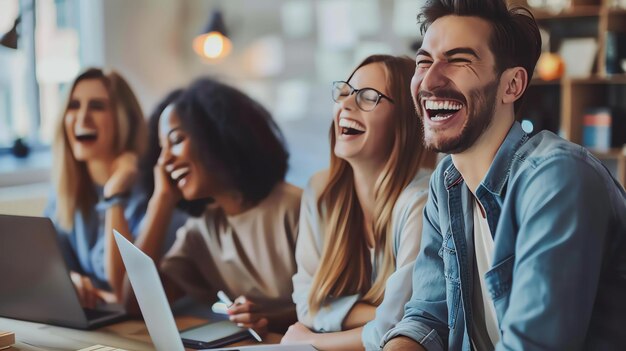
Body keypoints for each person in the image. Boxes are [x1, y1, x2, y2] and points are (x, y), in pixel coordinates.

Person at [382, 1, 626, 350]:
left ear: (512, 85)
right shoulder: (447, 181)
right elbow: (427, 318)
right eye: (424, 61)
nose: (430, 80)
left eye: (459, 60)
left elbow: (535, 345)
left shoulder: (557, 179)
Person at [281, 55, 437, 350]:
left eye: (368, 97)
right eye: (344, 93)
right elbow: (307, 304)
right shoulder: (322, 191)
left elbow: (407, 328)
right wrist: (379, 315)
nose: (346, 105)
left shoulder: (423, 201)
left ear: (404, 119)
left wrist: (313, 340)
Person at [130, 78, 302, 334]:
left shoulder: (296, 207)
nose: (164, 161)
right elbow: (135, 304)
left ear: (216, 134)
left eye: (175, 141)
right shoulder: (202, 229)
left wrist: (269, 317)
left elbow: (333, 308)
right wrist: (161, 202)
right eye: (161, 149)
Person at [46, 68, 148, 308]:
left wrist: (115, 196)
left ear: (126, 119)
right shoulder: (65, 190)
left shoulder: (149, 194)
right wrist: (71, 281)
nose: (82, 118)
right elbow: (50, 269)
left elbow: (125, 287)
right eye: (73, 105)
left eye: (97, 106)